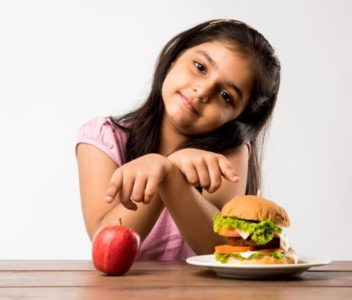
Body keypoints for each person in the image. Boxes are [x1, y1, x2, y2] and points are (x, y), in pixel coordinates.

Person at [75, 19, 281, 260]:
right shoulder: (104, 138)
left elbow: (216, 249)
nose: (202, 91)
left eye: (226, 95)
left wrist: (170, 174)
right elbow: (104, 240)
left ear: (238, 118)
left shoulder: (228, 155)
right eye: (200, 67)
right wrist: (163, 170)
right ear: (175, 57)